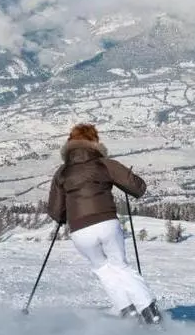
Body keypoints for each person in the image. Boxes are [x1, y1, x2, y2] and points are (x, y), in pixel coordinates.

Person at [47, 124, 163, 324]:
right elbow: (138, 188)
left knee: (101, 268)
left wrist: (66, 214)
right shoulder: (104, 164)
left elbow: (56, 212)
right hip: (106, 222)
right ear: (95, 142)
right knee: (120, 265)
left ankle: (128, 311)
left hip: (80, 231)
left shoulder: (62, 172)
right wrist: (127, 179)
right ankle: (149, 311)